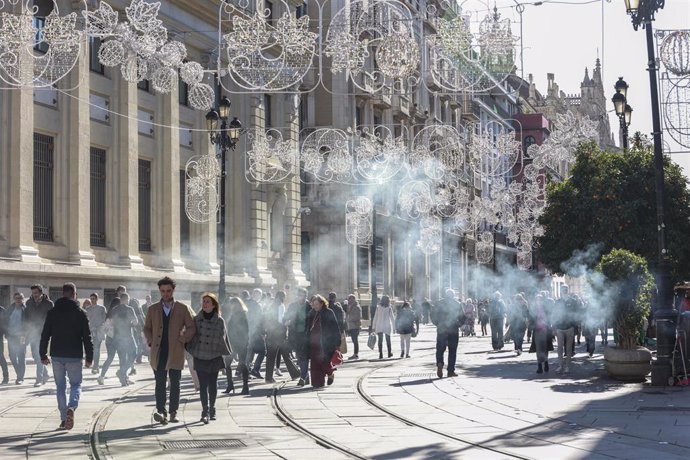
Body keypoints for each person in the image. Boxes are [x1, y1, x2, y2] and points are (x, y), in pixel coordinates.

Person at [39, 283, 93, 430]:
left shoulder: (53, 312)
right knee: (76, 385)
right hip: (74, 355)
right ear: (74, 293)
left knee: (60, 387)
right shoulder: (80, 312)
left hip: (57, 355)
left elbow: (45, 334)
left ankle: (64, 419)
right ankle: (72, 406)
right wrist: (90, 357)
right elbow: (87, 337)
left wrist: (42, 354)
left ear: (63, 294)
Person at [143, 277, 196, 425]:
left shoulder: (182, 308)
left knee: (175, 382)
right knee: (160, 382)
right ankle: (161, 411)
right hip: (158, 351)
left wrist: (183, 339)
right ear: (159, 291)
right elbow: (147, 327)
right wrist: (150, 340)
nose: (165, 294)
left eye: (168, 291)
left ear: (173, 290)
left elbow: (191, 327)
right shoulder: (152, 309)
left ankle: (173, 412)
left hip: (176, 350)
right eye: (162, 291)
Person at [187, 293, 231, 424]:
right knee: (203, 385)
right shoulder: (196, 319)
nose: (204, 304)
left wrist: (224, 354)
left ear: (213, 305)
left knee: (212, 384)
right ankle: (204, 411)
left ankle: (212, 408)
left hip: (214, 356)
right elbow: (191, 335)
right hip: (200, 355)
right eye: (203, 301)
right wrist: (190, 347)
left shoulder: (220, 320)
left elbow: (223, 338)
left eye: (207, 302)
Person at [263, 291, 300, 383]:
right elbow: (280, 320)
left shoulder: (272, 305)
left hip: (271, 334)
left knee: (271, 356)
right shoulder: (281, 306)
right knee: (286, 354)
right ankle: (295, 373)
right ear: (282, 297)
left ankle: (268, 377)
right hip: (279, 334)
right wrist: (287, 323)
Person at [307, 295, 341, 388]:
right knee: (315, 364)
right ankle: (317, 383)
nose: (315, 306)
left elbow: (335, 327)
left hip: (325, 342)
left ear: (322, 303)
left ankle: (330, 374)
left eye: (317, 304)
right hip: (314, 343)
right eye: (313, 304)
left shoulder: (329, 312)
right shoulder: (312, 313)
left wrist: (337, 342)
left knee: (325, 363)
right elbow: (308, 327)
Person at [25, 284, 53, 387]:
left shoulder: (49, 303)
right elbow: (26, 318)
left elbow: (52, 318)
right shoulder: (29, 303)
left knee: (39, 354)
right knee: (36, 356)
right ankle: (45, 374)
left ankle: (39, 379)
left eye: (36, 293)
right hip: (32, 332)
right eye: (33, 293)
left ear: (41, 292)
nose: (34, 295)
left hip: (44, 333)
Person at [431, 289, 464, 378]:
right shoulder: (457, 304)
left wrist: (437, 323)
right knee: (452, 350)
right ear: (453, 296)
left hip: (441, 329)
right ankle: (450, 371)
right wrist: (459, 324)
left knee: (440, 349)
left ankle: (440, 363)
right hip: (453, 330)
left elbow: (432, 314)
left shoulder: (439, 303)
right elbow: (462, 317)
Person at [109, 295, 138, 386]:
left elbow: (111, 323)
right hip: (128, 336)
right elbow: (135, 322)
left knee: (122, 358)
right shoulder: (129, 309)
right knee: (134, 354)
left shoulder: (114, 309)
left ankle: (123, 380)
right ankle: (122, 372)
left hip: (117, 337)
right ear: (126, 300)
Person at [285, 287, 311, 386]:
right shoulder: (292, 306)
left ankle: (303, 377)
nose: (301, 297)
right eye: (299, 295)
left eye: (303, 295)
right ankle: (306, 375)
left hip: (307, 335)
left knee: (304, 356)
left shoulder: (310, 306)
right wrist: (286, 320)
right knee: (299, 357)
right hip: (295, 335)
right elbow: (286, 316)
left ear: (306, 296)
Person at [224, 296, 250, 395]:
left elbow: (245, 330)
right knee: (228, 364)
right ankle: (232, 385)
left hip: (239, 343)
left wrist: (244, 342)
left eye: (232, 304)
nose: (231, 306)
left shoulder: (241, 315)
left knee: (242, 364)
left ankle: (244, 387)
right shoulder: (235, 314)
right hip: (233, 343)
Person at [553, 285, 579, 374]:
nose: (564, 291)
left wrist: (576, 328)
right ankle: (560, 365)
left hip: (570, 328)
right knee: (560, 348)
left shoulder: (573, 301)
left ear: (568, 290)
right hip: (559, 328)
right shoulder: (557, 302)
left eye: (565, 289)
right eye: (563, 289)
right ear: (561, 291)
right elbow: (554, 315)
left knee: (568, 349)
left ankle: (567, 366)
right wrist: (554, 328)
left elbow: (577, 315)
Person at [97, 297, 122, 385]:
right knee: (122, 358)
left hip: (109, 339)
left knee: (110, 358)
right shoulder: (118, 314)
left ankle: (101, 376)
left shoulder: (109, 314)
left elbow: (105, 328)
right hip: (117, 339)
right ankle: (124, 377)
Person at [529, 293, 553, 374]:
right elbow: (531, 320)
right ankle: (539, 366)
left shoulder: (546, 309)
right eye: (537, 299)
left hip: (545, 331)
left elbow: (550, 318)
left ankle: (546, 363)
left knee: (545, 348)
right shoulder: (533, 309)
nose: (538, 301)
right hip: (537, 331)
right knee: (538, 349)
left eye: (540, 299)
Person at [6, 292, 27, 385]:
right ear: (14, 299)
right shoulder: (10, 309)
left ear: (23, 299)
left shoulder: (26, 310)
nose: (18, 300)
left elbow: (28, 324)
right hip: (11, 336)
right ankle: (19, 373)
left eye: (20, 298)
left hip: (22, 337)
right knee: (12, 357)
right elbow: (5, 321)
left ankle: (20, 378)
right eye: (16, 298)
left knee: (21, 356)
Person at [246, 289, 266, 379]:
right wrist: (263, 332)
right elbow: (260, 320)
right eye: (257, 295)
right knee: (262, 351)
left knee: (250, 351)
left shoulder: (246, 303)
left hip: (247, 331)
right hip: (255, 332)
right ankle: (255, 369)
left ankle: (248, 370)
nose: (258, 297)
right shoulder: (257, 306)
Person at [86, 293, 107, 374]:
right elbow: (86, 319)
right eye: (91, 298)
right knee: (95, 349)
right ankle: (96, 366)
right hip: (91, 331)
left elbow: (104, 319)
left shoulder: (102, 308)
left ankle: (95, 366)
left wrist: (100, 327)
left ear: (97, 299)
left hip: (99, 330)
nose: (92, 300)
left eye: (93, 298)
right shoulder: (88, 308)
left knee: (97, 348)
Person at [372, 295, 395, 359]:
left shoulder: (378, 307)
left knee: (380, 340)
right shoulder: (389, 308)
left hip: (379, 325)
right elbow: (392, 318)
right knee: (388, 340)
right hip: (387, 325)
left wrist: (373, 327)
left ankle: (380, 354)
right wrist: (394, 327)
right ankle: (389, 353)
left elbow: (375, 317)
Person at [344, 294, 362, 360]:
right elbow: (348, 315)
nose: (349, 300)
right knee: (353, 340)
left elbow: (358, 317)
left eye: (350, 299)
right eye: (349, 299)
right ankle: (355, 354)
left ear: (354, 299)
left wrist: (349, 319)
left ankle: (356, 354)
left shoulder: (356, 307)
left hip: (355, 326)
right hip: (350, 326)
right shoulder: (349, 306)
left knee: (355, 340)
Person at [0, 301, 9, 384]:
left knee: (1, 358)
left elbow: (6, 324)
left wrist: (6, 334)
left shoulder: (2, 310)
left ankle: (6, 377)